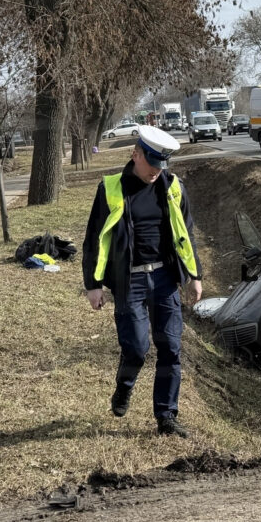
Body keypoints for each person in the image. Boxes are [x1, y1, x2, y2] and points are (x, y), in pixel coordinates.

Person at [81, 125, 203, 438]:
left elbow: (185, 234)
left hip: (164, 277)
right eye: (151, 164)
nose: (155, 172)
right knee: (136, 348)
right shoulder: (110, 188)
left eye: (161, 166)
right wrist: (93, 284)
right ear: (136, 155)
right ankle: (124, 387)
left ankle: (166, 417)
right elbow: (94, 239)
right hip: (129, 280)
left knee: (170, 347)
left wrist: (194, 276)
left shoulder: (173, 187)